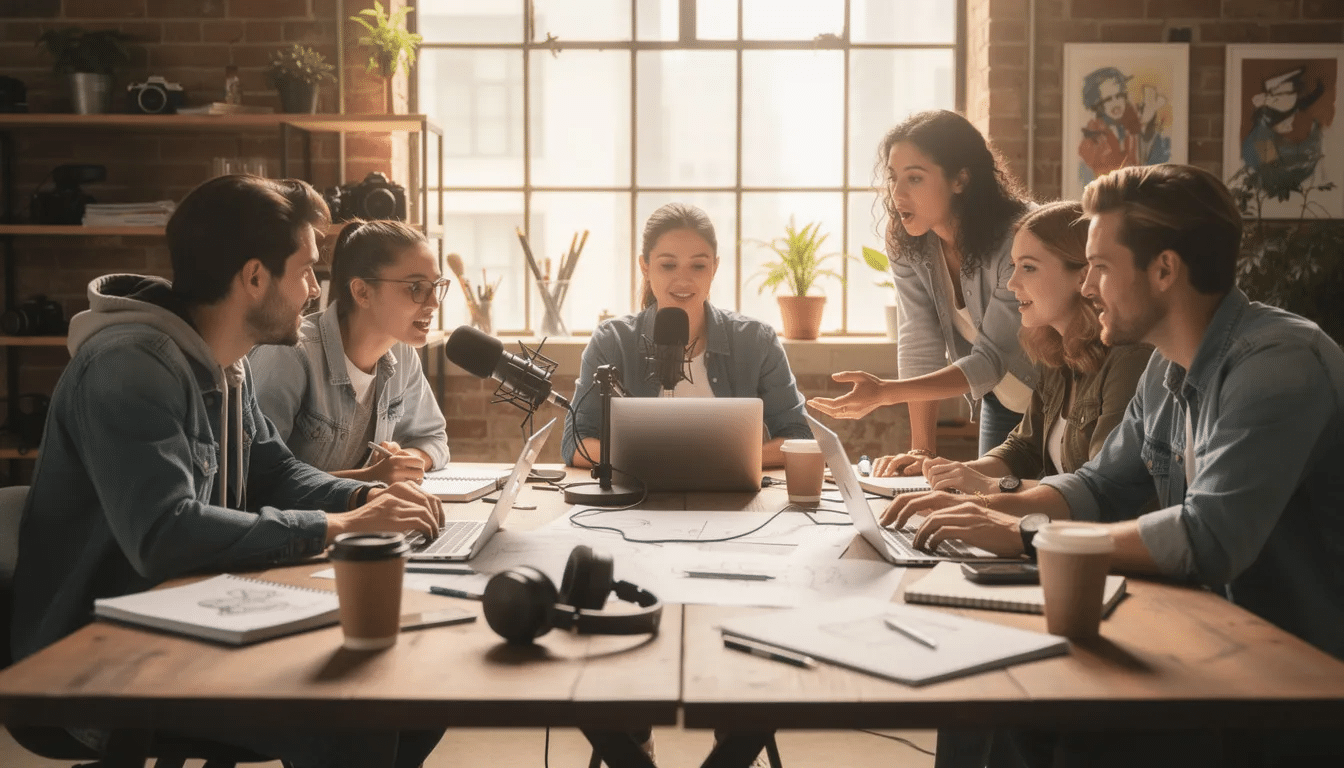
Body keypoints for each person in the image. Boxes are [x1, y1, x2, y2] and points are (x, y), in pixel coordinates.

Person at [884, 163, 1344, 767]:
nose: (1087, 286)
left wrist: (1026, 533)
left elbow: (1210, 539)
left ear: (1164, 270)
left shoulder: (1278, 365)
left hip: (1294, 676)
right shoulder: (1166, 363)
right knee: (983, 694)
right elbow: (1099, 484)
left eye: (1100, 265)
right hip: (1206, 633)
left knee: (1037, 713)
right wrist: (986, 507)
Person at [9, 175, 447, 768]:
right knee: (355, 719)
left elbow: (278, 473)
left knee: (413, 697)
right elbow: (165, 535)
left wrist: (368, 499)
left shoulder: (223, 364)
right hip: (99, 663)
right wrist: (336, 529)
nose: (316, 291)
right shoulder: (129, 368)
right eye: (306, 272)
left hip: (189, 616)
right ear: (254, 278)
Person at [807, 109, 1036, 466]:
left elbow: (991, 359)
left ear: (960, 179)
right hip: (1002, 401)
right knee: (989, 502)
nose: (897, 193)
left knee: (1042, 509)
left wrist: (885, 394)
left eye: (914, 178)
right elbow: (919, 341)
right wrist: (922, 452)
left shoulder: (1020, 239)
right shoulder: (909, 241)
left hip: (1059, 399)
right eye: (893, 177)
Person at [885, 200, 1153, 495]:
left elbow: (1102, 490)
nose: (1012, 283)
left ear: (1082, 277)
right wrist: (946, 473)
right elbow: (1023, 449)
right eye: (1014, 267)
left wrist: (991, 487)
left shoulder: (1129, 361)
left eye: (1028, 267)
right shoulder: (1057, 355)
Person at [561, 202, 811, 469]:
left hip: (731, 504)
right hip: (638, 501)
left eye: (698, 266)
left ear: (714, 268)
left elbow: (799, 437)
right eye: (668, 265)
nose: (683, 279)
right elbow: (575, 442)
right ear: (645, 266)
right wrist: (656, 461)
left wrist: (714, 461)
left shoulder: (756, 341)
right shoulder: (612, 341)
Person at [250, 219, 450, 485]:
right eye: (416, 288)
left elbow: (433, 438)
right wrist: (367, 480)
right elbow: (252, 482)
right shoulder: (290, 355)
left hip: (359, 520)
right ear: (362, 292)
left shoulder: (402, 355)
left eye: (436, 286)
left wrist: (406, 459)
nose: (434, 303)